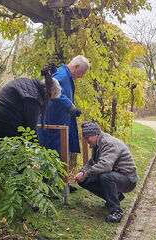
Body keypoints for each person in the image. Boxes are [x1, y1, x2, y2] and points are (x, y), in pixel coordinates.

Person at [37, 55, 90, 192]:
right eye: (82, 73)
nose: (81, 76)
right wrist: (69, 105)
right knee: (50, 157)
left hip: (60, 125)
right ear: (76, 66)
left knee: (59, 157)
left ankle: (60, 184)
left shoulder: (67, 76)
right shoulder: (61, 74)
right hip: (51, 125)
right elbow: (50, 88)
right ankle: (47, 189)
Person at [74, 121, 139, 223]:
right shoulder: (98, 144)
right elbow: (92, 162)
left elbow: (105, 166)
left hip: (128, 179)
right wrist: (82, 172)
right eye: (85, 138)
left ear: (96, 135)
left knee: (105, 176)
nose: (86, 141)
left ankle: (116, 212)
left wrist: (86, 174)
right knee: (84, 180)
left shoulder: (109, 143)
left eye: (87, 138)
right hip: (116, 175)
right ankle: (116, 197)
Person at [0, 62, 61, 139]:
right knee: (12, 148)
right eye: (49, 98)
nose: (48, 101)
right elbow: (31, 130)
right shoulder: (34, 99)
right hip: (1, 122)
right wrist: (40, 149)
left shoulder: (27, 83)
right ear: (46, 91)